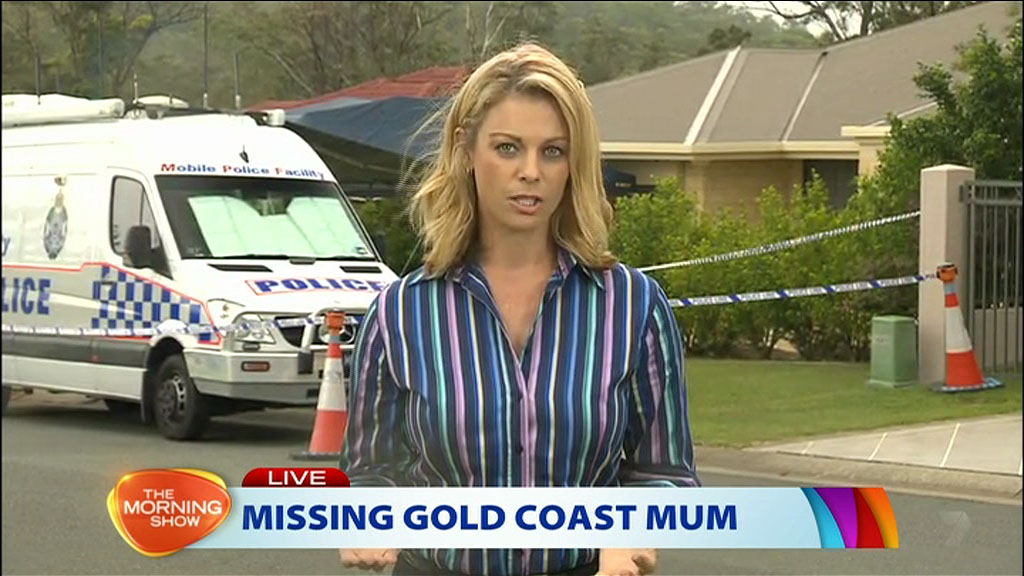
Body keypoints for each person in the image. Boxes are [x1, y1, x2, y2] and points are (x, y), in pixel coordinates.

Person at [339, 42, 699, 576]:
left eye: (552, 152)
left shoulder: (634, 307)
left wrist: (632, 531)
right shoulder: (398, 314)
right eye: (507, 148)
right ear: (466, 150)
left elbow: (666, 472)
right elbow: (370, 470)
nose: (530, 171)